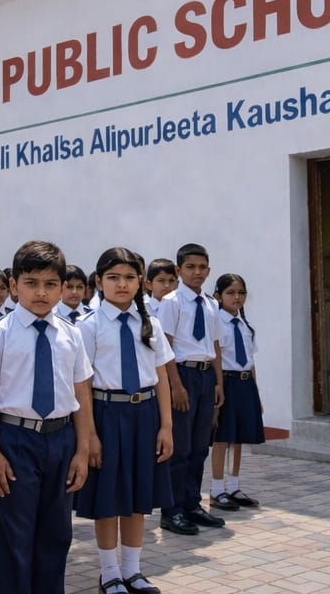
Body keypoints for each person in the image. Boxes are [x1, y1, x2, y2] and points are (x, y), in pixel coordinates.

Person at [0, 241, 93, 594]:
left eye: (50, 284)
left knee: (56, 535)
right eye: (31, 283)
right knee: (14, 537)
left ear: (63, 288)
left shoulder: (71, 334)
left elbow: (81, 394)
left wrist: (82, 450)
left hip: (61, 439)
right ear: (14, 286)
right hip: (14, 440)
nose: (41, 293)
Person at [76, 247, 173, 594]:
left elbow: (161, 376)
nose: (122, 284)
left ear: (140, 282)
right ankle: (109, 572)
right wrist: (90, 435)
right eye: (113, 277)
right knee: (109, 498)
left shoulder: (151, 323)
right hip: (106, 414)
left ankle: (133, 570)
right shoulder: (88, 325)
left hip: (144, 414)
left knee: (138, 495)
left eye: (130, 277)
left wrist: (166, 426)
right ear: (99, 281)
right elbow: (82, 384)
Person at [150, 243, 225, 535]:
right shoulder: (172, 302)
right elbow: (165, 345)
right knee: (179, 448)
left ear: (209, 270)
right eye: (191, 267)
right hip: (181, 374)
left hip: (205, 376)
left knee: (199, 446)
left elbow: (215, 344)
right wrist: (175, 385)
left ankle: (192, 503)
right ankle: (172, 511)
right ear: (178, 270)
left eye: (202, 267)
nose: (197, 272)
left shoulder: (211, 304)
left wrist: (218, 382)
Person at [208, 273, 262, 511]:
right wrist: (217, 387)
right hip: (226, 382)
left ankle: (233, 486)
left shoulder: (245, 326)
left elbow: (250, 361)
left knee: (239, 437)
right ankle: (216, 489)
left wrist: (256, 392)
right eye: (230, 292)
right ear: (218, 296)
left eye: (241, 293)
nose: (236, 297)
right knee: (222, 437)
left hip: (245, 384)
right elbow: (216, 359)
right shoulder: (216, 323)